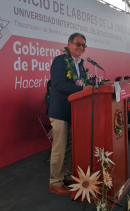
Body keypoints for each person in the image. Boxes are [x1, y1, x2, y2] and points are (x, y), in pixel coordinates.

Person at [48, 32, 91, 195]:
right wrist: (82, 88)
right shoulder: (60, 61)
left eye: (83, 45)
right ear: (69, 45)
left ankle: (65, 176)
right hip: (60, 110)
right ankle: (54, 182)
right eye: (78, 44)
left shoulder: (80, 64)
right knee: (59, 147)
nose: (81, 47)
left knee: (69, 147)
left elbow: (80, 84)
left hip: (75, 110)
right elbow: (58, 84)